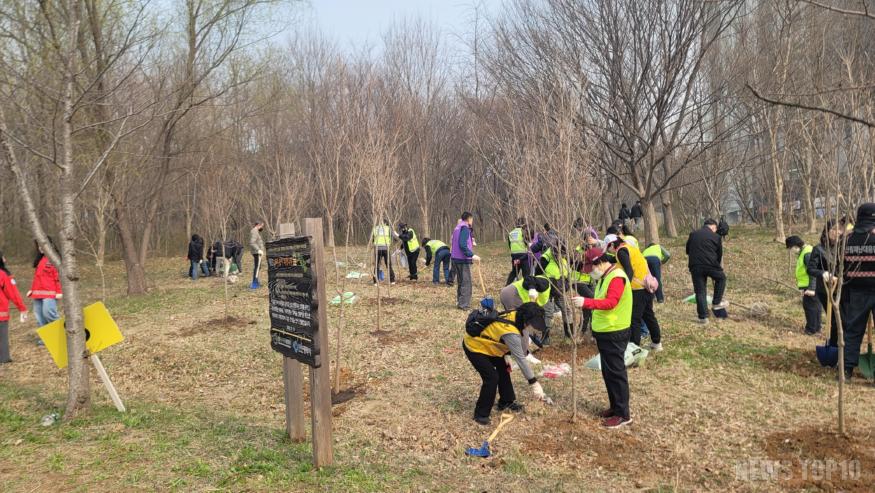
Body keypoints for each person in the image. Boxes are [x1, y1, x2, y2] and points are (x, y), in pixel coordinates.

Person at [572, 252, 634, 428]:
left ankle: (623, 414)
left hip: (615, 331)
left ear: (600, 263)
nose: (590, 272)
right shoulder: (605, 277)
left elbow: (611, 302)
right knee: (608, 372)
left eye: (591, 268)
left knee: (616, 373)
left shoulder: (616, 277)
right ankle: (615, 407)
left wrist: (586, 302)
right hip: (605, 331)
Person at [463, 302, 551, 425]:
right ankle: (481, 414)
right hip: (475, 346)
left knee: (504, 368)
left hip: (489, 344)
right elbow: (521, 359)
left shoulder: (516, 315)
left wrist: (505, 355)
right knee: (491, 377)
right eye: (533, 324)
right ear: (526, 321)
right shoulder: (511, 333)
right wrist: (534, 383)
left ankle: (506, 401)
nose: (533, 328)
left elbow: (498, 336)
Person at [605, 234, 661, 351]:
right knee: (648, 315)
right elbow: (615, 260)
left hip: (637, 289)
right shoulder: (629, 247)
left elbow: (629, 270)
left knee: (634, 319)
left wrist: (624, 288)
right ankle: (656, 342)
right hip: (646, 286)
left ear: (612, 245)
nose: (608, 251)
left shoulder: (621, 251)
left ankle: (634, 347)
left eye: (608, 248)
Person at [841, 203, 875, 380]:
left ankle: (846, 370)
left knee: (853, 331)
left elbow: (841, 267)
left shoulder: (847, 239)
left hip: (855, 292)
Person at [807, 221, 843, 347]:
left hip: (841, 288)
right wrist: (823, 273)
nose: (837, 232)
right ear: (826, 231)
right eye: (833, 229)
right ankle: (833, 346)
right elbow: (810, 269)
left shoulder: (842, 248)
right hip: (825, 289)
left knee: (843, 318)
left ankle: (841, 345)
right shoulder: (819, 249)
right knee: (833, 318)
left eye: (839, 229)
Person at [686, 219, 727, 324]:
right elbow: (719, 255)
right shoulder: (716, 237)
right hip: (711, 264)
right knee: (721, 278)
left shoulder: (693, 234)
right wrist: (717, 267)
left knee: (700, 291)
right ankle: (716, 303)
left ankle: (703, 317)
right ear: (713, 227)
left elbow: (687, 250)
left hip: (695, 266)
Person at [785, 236, 820, 335]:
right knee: (815, 306)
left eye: (791, 248)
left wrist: (811, 288)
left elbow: (813, 272)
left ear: (795, 245)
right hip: (809, 285)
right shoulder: (805, 251)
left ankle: (811, 329)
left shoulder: (807, 253)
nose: (791, 251)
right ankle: (816, 328)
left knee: (810, 307)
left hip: (811, 286)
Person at [29, 239, 62, 339]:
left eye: (42, 245)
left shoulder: (55, 260)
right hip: (37, 293)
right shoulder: (40, 260)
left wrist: (59, 291)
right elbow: (37, 278)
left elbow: (58, 277)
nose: (40, 248)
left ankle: (62, 334)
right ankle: (44, 339)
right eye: (38, 246)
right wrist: (32, 290)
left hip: (50, 293)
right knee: (40, 317)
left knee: (49, 313)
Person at [0, 251, 28, 363]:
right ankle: (3, 358)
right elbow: (13, 293)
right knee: (2, 337)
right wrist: (22, 308)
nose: (5, 259)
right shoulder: (3, 274)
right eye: (3, 256)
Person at [451, 212, 479, 310]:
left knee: (461, 281)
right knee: (466, 283)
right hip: (462, 259)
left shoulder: (457, 227)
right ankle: (464, 305)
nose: (472, 221)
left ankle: (460, 302)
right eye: (472, 219)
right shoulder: (465, 228)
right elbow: (462, 244)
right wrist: (472, 255)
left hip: (455, 258)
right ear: (469, 219)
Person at [506, 219, 530, 285]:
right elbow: (526, 243)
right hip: (523, 256)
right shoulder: (523, 232)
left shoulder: (510, 233)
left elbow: (510, 245)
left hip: (514, 256)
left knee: (514, 272)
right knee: (526, 273)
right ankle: (526, 287)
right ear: (523, 224)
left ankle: (507, 286)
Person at [372, 219, 396, 284]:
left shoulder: (375, 228)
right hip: (386, 248)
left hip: (377, 249)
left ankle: (375, 281)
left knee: (377, 265)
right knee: (388, 265)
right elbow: (394, 237)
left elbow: (372, 239)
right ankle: (392, 280)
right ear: (385, 223)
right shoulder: (388, 228)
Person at [249, 222, 266, 289]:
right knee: (257, 267)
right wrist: (258, 249)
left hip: (258, 252)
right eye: (262, 226)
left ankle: (256, 281)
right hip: (256, 252)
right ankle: (255, 283)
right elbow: (252, 242)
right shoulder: (254, 231)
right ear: (259, 225)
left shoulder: (256, 231)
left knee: (258, 267)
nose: (262, 227)